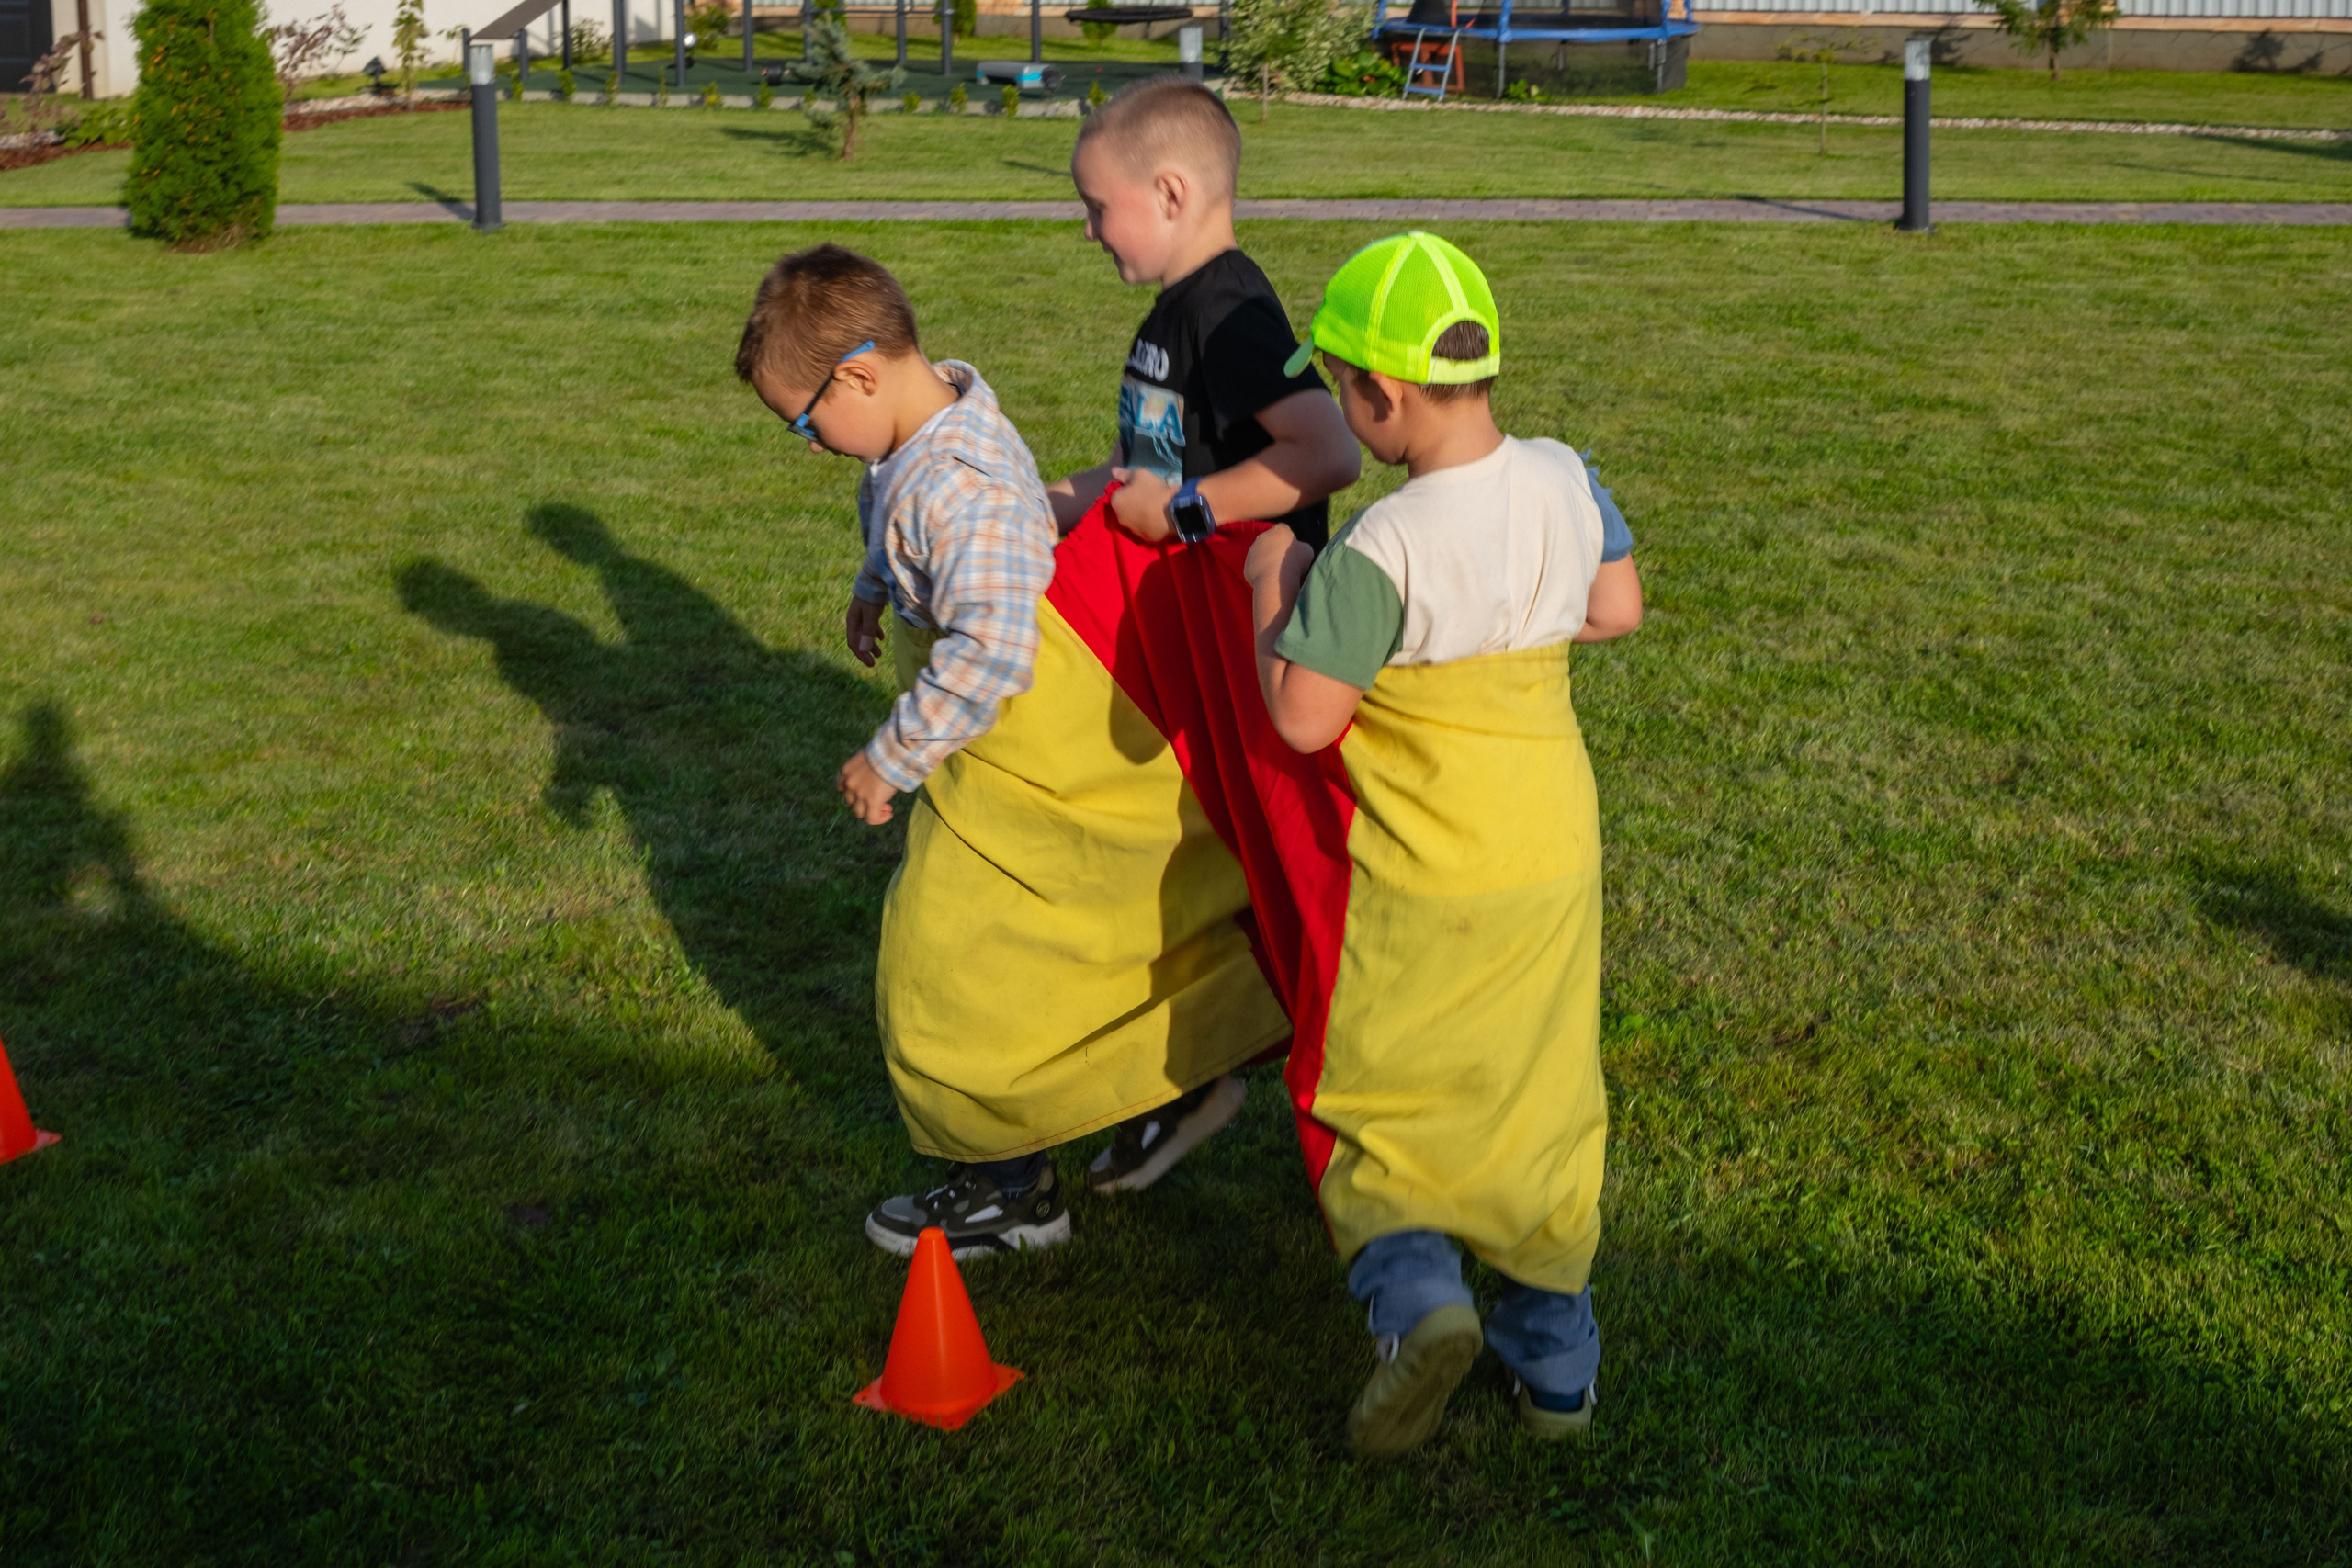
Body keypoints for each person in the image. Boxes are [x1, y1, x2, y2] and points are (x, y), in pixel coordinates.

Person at [737, 243, 1291, 1260]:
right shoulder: (929, 426)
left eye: (804, 422)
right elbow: (901, 519)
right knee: (1069, 941)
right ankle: (1173, 1081)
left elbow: (993, 648)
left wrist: (892, 755)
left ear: (857, 376)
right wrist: (873, 587)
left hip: (1023, 755)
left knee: (944, 963)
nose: (809, 444)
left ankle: (1007, 1191)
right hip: (995, 755)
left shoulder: (962, 489)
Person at [1240, 232, 1644, 1455]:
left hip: (1429, 872)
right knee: (1538, 1097)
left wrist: (1273, 585)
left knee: (1389, 1092)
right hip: (1551, 851)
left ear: (1382, 393)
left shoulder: (1383, 546)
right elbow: (1615, 607)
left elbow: (1303, 718)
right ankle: (1558, 1384)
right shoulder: (1566, 475)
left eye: (1341, 387)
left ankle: (1419, 1303)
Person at [1046, 76, 1361, 1190]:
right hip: (1187, 641)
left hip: (1250, 648)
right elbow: (1145, 469)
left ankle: (1344, 1098)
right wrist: (1045, 502)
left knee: (1275, 870)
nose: (1089, 230)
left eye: (1098, 207)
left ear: (1171, 193)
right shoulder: (1174, 314)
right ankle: (1194, 1072)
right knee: (1185, 861)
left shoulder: (1230, 315)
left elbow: (1324, 453)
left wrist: (1187, 513)